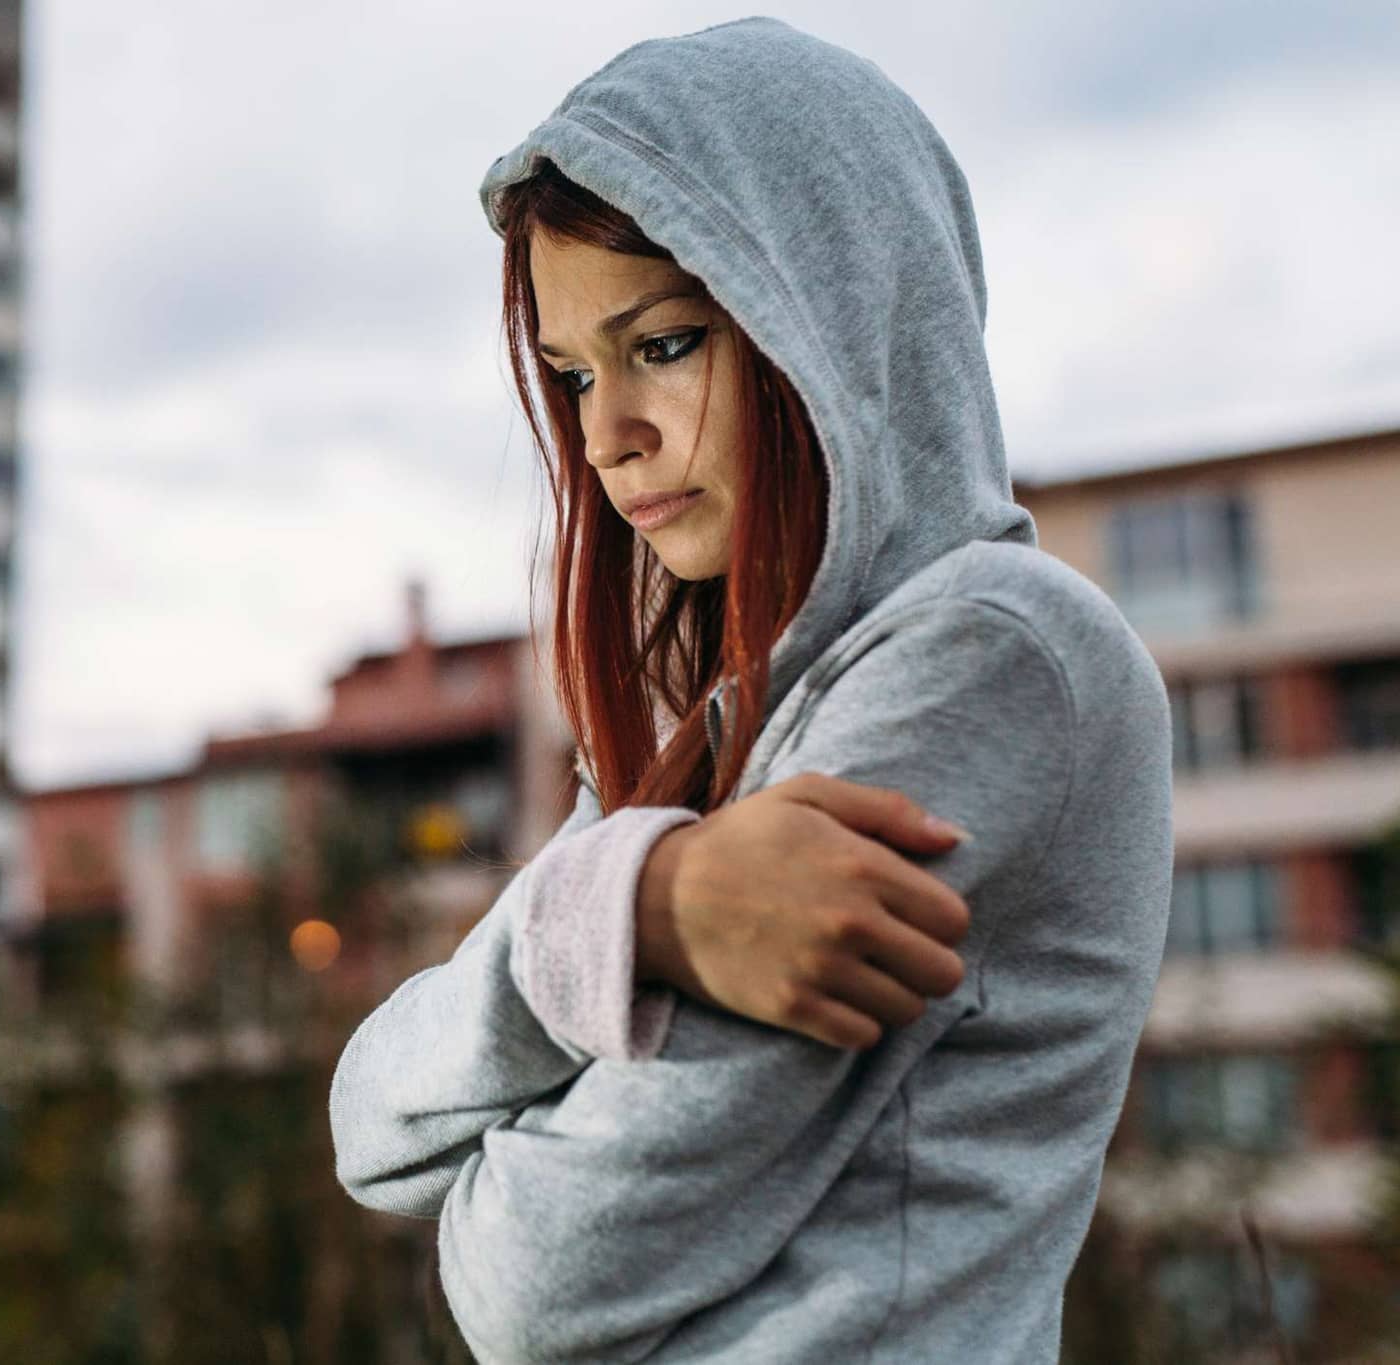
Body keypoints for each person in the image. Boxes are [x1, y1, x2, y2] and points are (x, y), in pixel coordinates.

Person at [327, 17, 1174, 1364]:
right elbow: (368, 1119)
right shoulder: (713, 735)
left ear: (832, 314)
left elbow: (533, 1274)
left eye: (662, 344)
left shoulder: (996, 654)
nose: (606, 435)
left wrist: (581, 965)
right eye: (573, 374)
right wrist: (642, 906)